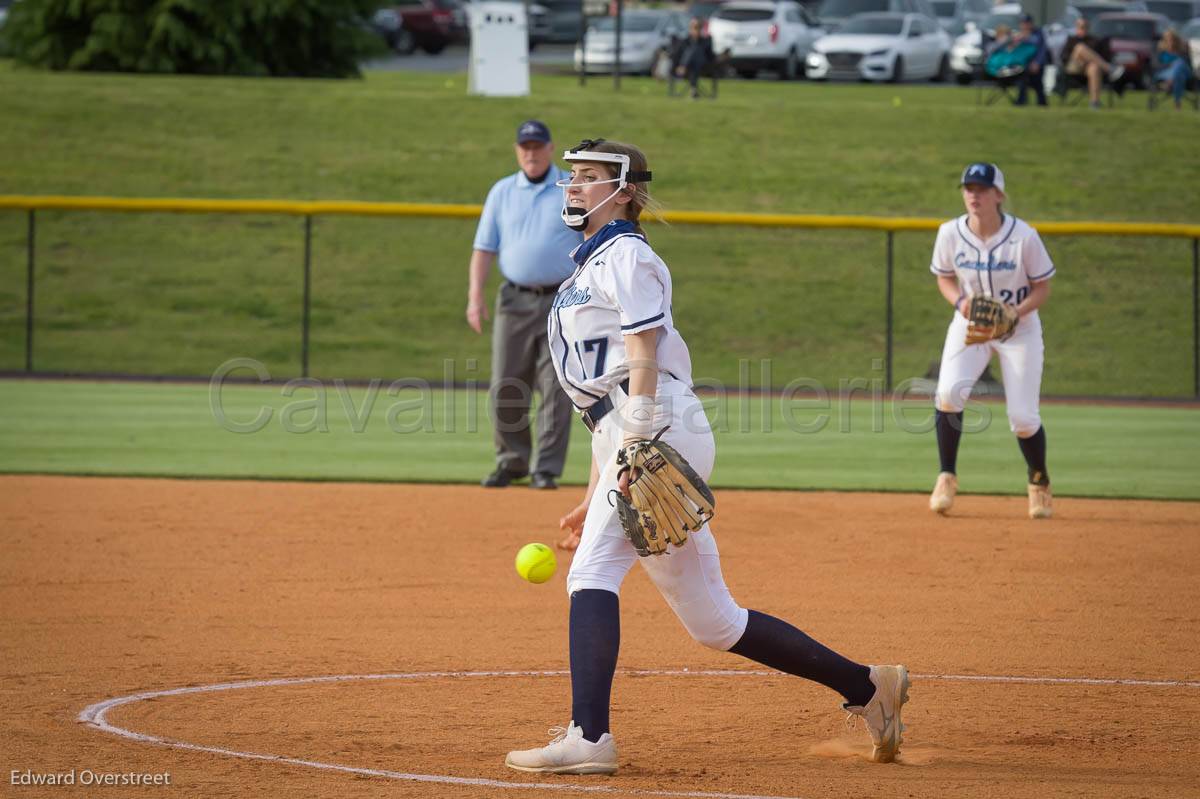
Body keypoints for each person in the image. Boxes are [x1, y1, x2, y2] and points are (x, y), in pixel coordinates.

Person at [504, 138, 910, 775]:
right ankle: (868, 686)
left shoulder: (628, 256)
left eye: (589, 177)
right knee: (716, 623)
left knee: (591, 575)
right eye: (572, 176)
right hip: (631, 429)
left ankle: (590, 739)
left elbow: (643, 352)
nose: (574, 186)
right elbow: (597, 402)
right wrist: (595, 487)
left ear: (627, 190)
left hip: (656, 420)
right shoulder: (589, 265)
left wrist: (636, 438)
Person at [928, 163, 1056, 521]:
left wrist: (1018, 312)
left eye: (982, 189)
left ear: (998, 196)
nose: (974, 195)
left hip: (1019, 330)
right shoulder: (950, 233)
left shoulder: (1024, 237)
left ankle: (1039, 481)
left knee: (1023, 418)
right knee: (948, 394)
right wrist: (960, 302)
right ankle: (946, 476)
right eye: (968, 188)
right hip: (971, 326)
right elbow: (944, 278)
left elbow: (1042, 287)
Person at [469, 120, 583, 490]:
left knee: (555, 387)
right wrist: (475, 296)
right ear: (517, 150)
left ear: (551, 148)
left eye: (537, 146)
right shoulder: (502, 191)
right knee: (507, 382)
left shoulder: (571, 188)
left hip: (561, 299)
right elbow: (484, 247)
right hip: (514, 298)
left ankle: (545, 469)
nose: (531, 152)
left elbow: (593, 237)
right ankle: (511, 461)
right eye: (525, 146)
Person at [1059, 17, 1125, 108]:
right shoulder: (1071, 40)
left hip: (1087, 69)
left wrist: (1087, 59)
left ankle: (1094, 103)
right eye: (1080, 26)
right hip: (1073, 67)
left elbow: (1103, 56)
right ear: (1076, 27)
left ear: (1088, 27)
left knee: (1094, 68)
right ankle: (1110, 69)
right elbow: (1063, 57)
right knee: (1080, 48)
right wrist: (1079, 59)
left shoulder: (1094, 40)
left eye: (1085, 26)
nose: (1083, 29)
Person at [673, 17, 716, 99]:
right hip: (687, 68)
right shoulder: (684, 41)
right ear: (690, 28)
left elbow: (711, 57)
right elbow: (677, 56)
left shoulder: (706, 41)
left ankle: (684, 66)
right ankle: (693, 89)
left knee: (696, 51)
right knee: (691, 53)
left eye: (698, 27)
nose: (696, 30)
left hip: (703, 67)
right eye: (694, 27)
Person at [1013, 14, 1049, 106]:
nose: (1025, 26)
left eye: (1027, 23)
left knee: (1037, 83)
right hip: (1023, 65)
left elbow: (1042, 50)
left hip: (1036, 64)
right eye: (1023, 23)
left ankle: (1042, 103)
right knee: (1022, 80)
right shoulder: (1018, 35)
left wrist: (1037, 63)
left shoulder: (1038, 33)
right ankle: (1022, 101)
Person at [1154, 29, 1193, 109]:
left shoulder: (1182, 51)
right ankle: (1177, 102)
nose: (1171, 42)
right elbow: (1157, 65)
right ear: (1164, 41)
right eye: (1168, 40)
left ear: (1176, 41)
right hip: (1167, 73)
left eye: (1172, 40)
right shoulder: (1161, 52)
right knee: (1179, 75)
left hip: (1184, 72)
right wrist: (1170, 65)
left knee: (1179, 64)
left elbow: (1189, 65)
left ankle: (1169, 83)